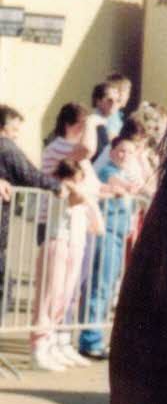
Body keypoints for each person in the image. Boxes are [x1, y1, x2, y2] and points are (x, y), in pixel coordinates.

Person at [29, 159, 103, 371]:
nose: (74, 183)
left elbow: (98, 227)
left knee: (64, 298)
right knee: (49, 297)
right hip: (57, 243)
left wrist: (89, 200)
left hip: (74, 247)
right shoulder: (59, 192)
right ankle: (38, 347)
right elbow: (71, 197)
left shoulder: (82, 197)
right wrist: (82, 193)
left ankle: (50, 344)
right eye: (70, 178)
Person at [78, 136, 135, 359]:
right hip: (107, 233)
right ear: (111, 153)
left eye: (128, 152)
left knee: (108, 286)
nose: (123, 155)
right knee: (99, 286)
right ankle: (90, 338)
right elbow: (113, 182)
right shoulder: (108, 171)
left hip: (119, 234)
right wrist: (128, 187)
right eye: (120, 151)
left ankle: (95, 335)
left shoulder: (125, 172)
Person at [0, 104, 61, 295]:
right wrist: (58, 186)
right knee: (3, 286)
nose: (17, 135)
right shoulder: (6, 147)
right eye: (14, 129)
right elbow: (30, 175)